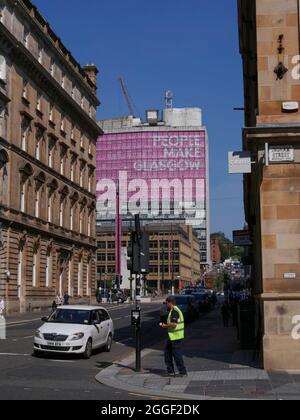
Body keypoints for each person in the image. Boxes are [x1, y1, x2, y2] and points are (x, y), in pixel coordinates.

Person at [159, 296, 187, 377]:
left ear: (169, 302)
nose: (166, 304)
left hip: (176, 337)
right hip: (172, 336)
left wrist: (165, 325)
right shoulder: (172, 310)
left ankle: (183, 371)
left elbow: (174, 324)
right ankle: (170, 370)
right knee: (167, 353)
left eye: (166, 303)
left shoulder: (175, 311)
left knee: (176, 354)